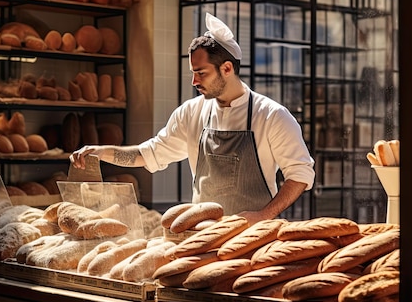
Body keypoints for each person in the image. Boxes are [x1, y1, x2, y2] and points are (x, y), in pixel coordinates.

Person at [70, 13, 315, 225]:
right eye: (192, 73)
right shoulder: (191, 113)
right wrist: (101, 152)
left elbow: (300, 175)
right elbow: (149, 153)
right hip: (204, 235)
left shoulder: (271, 115)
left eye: (201, 73)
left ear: (227, 69)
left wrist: (263, 215)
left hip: (256, 238)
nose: (194, 82)